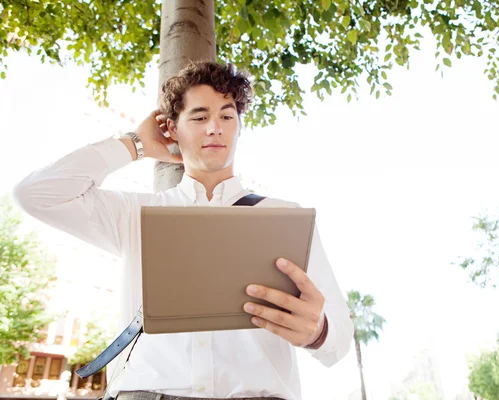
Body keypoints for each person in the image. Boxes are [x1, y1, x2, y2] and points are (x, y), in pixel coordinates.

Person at [13, 61, 353, 400]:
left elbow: (339, 340)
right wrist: (135, 144)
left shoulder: (284, 218)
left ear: (238, 126)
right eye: (200, 116)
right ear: (171, 128)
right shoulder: (135, 214)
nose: (215, 128)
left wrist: (318, 332)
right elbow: (36, 193)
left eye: (226, 115)